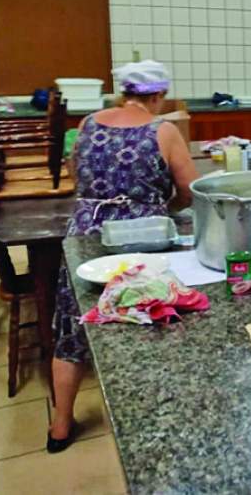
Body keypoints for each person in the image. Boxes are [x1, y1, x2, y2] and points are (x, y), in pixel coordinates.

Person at [48, 60, 198, 452]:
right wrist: (165, 205)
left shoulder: (87, 123)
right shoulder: (162, 130)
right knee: (149, 321)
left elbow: (74, 171)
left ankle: (59, 426)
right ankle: (149, 423)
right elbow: (189, 189)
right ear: (157, 95)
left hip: (86, 231)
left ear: (124, 91)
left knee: (72, 328)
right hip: (142, 238)